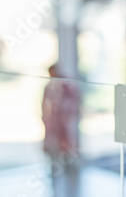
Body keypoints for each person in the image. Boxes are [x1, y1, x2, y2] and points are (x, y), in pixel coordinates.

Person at [41, 62, 81, 196]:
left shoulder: (66, 85)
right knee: (53, 154)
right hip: (53, 127)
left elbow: (73, 103)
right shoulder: (49, 87)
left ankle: (70, 179)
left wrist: (66, 118)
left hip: (64, 127)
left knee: (67, 152)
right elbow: (44, 105)